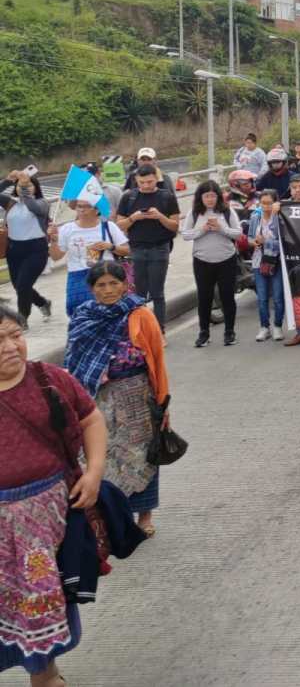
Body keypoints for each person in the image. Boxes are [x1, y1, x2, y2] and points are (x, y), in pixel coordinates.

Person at [0, 304, 107, 686]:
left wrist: (93, 472)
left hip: (47, 525)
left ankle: (46, 678)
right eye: (0, 339)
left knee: (40, 601)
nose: (11, 347)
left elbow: (91, 417)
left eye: (16, 335)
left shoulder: (50, 379)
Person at [65, 260, 169, 535]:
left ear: (125, 285)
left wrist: (162, 401)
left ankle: (144, 516)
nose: (109, 290)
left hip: (136, 394)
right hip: (97, 398)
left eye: (115, 283)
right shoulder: (83, 317)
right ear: (91, 289)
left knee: (142, 454)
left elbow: (156, 360)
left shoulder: (140, 314)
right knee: (101, 455)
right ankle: (111, 517)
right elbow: (74, 360)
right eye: (101, 285)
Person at [115, 165, 181, 328]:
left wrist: (159, 216)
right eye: (142, 182)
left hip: (159, 248)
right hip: (136, 249)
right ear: (136, 181)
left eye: (150, 182)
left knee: (157, 293)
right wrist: (134, 218)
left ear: (156, 179)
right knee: (139, 294)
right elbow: (120, 225)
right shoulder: (128, 197)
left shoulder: (167, 197)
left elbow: (175, 226)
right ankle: (142, 330)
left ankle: (160, 331)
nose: (145, 186)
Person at [180, 179, 241, 348]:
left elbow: (237, 234)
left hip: (226, 259)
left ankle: (229, 332)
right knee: (204, 298)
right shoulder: (194, 213)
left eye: (213, 196)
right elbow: (185, 235)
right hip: (202, 260)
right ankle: (203, 333)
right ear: (200, 197)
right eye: (206, 196)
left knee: (227, 296)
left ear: (219, 196)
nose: (210, 200)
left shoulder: (227, 211)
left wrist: (221, 228)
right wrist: (203, 230)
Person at [47, 199, 130, 317]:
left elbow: (127, 250)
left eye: (86, 207)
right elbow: (56, 257)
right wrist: (54, 240)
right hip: (78, 277)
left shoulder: (108, 226)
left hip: (105, 274)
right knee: (78, 312)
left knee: (109, 310)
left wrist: (109, 246)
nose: (81, 210)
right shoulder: (67, 229)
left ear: (97, 210)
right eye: (79, 206)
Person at [0, 170, 54, 323]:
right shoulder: (10, 203)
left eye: (30, 185)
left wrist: (23, 186)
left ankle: (21, 319)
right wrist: (8, 181)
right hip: (14, 250)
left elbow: (32, 206)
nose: (25, 187)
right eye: (22, 185)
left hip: (36, 250)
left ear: (36, 187)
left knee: (23, 285)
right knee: (19, 286)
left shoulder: (42, 203)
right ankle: (42, 303)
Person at [248, 189, 285, 343]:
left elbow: (283, 241)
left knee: (277, 297)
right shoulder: (255, 217)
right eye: (263, 203)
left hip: (275, 261)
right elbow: (249, 238)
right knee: (262, 298)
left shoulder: (280, 218)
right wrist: (254, 242)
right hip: (258, 261)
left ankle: (277, 326)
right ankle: (264, 327)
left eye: (270, 203)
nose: (266, 206)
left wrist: (266, 242)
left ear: (275, 203)